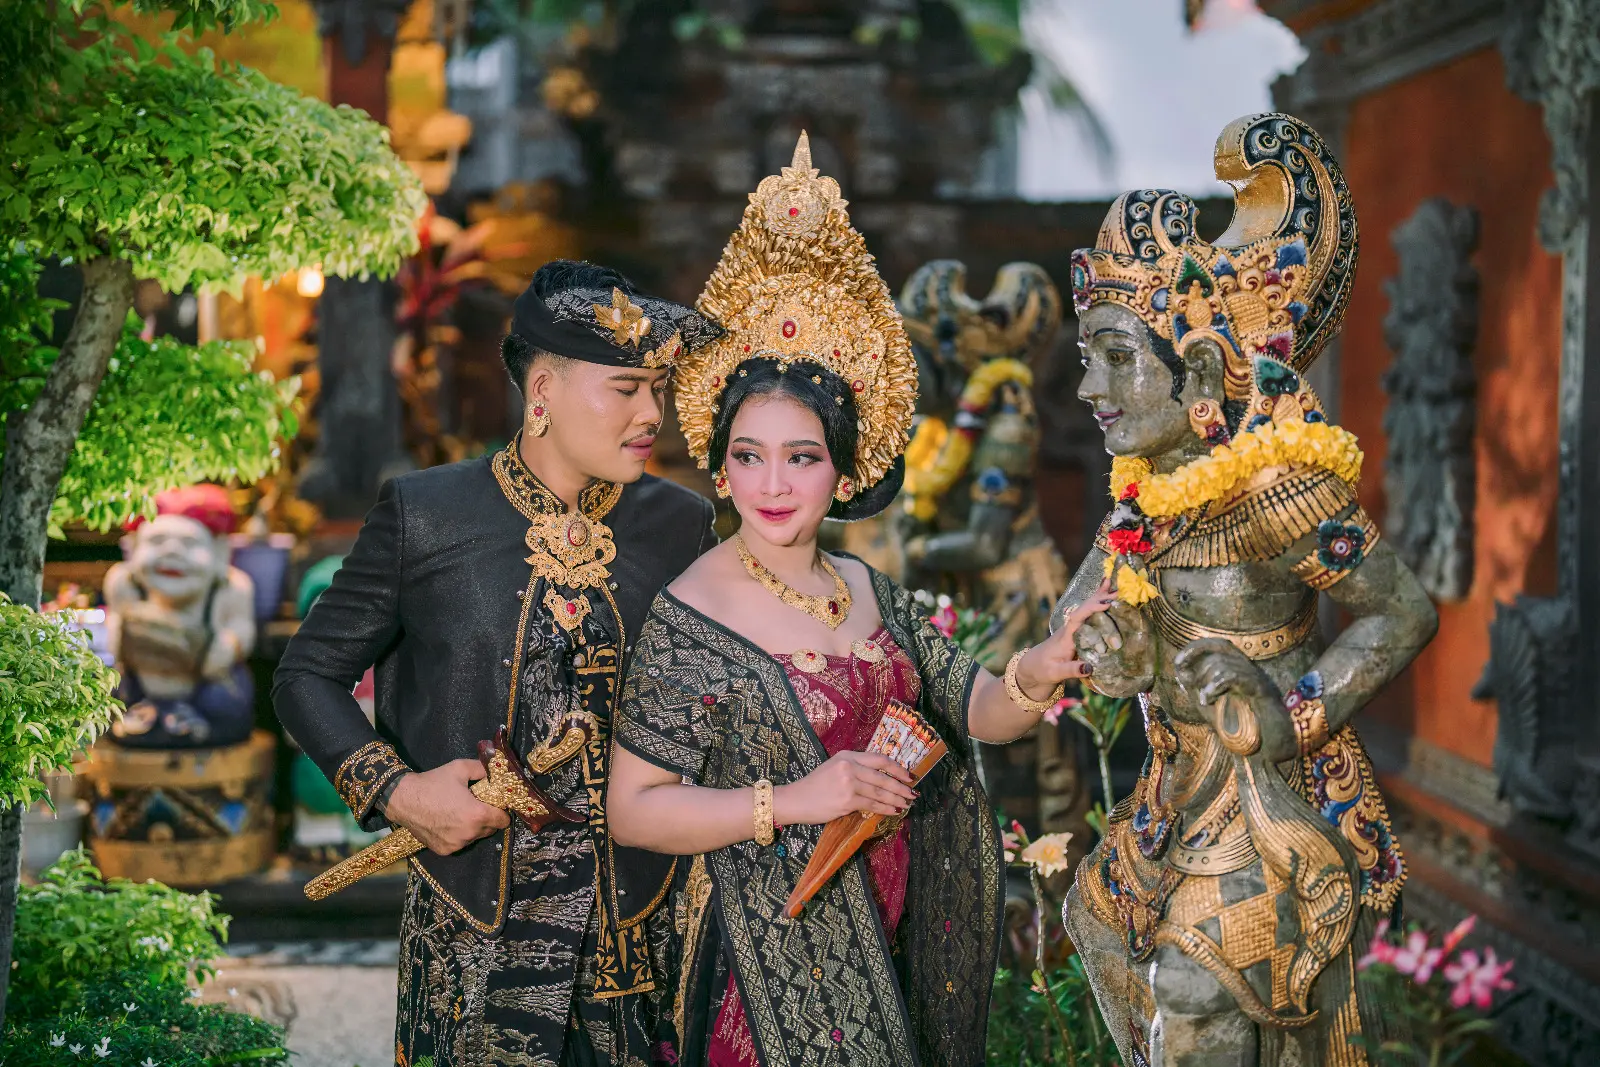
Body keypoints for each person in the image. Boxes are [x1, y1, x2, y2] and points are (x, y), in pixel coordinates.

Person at [604, 135, 1114, 1067]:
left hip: (897, 935)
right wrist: (799, 797)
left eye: (801, 457)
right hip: (766, 965)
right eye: (748, 456)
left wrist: (1038, 671)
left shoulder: (870, 589)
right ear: (719, 467)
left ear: (843, 474)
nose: (772, 484)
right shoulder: (692, 611)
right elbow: (633, 807)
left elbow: (979, 710)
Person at [1054, 114, 1437, 1067]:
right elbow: (1078, 621)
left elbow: (1403, 610)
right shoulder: (1140, 497)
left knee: (1193, 991)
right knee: (1095, 921)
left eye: (1115, 356)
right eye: (1087, 357)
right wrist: (1117, 648)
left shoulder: (1277, 489)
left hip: (1275, 799)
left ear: (1195, 369)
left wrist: (1290, 714)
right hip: (1174, 789)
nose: (1089, 387)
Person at [273, 259, 724, 1066]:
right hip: (474, 931)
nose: (652, 413)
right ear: (542, 390)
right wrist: (399, 791)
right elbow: (305, 675)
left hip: (643, 930)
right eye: (627, 388)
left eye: (658, 388)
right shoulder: (426, 515)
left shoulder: (680, 525)